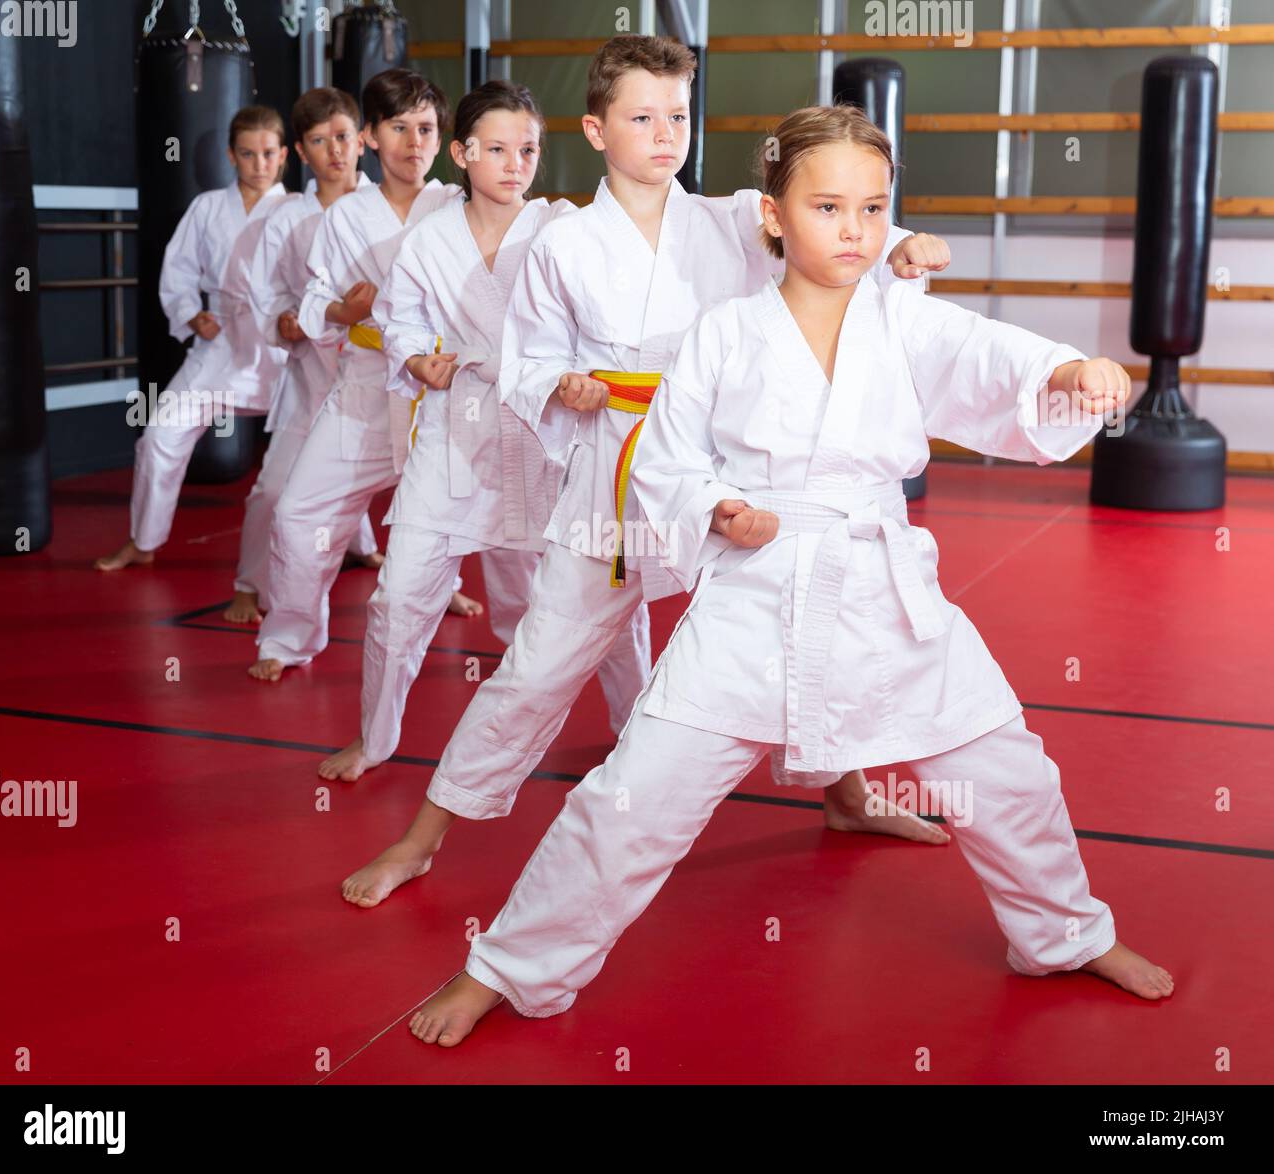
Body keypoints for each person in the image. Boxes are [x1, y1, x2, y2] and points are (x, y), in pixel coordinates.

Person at [408, 103, 1171, 1049]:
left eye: (872, 208)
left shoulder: (903, 321)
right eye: (827, 207)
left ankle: (1063, 936)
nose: (853, 230)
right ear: (774, 215)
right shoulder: (724, 334)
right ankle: (512, 967)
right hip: (753, 598)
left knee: (1009, 776)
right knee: (629, 800)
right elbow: (665, 462)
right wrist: (716, 510)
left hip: (886, 594)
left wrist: (1072, 371)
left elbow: (992, 359)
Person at [340, 35, 949, 913]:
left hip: (730, 469)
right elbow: (527, 362)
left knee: (800, 628)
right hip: (613, 484)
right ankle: (423, 835)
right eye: (641, 117)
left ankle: (846, 792)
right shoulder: (564, 240)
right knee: (538, 665)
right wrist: (562, 384)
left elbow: (833, 221)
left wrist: (899, 249)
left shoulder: (735, 217)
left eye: (677, 115)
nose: (666, 134)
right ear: (595, 129)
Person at [320, 80, 648, 785]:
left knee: (603, 596)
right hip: (456, 434)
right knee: (398, 597)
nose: (514, 163)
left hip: (548, 435)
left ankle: (637, 729)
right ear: (462, 154)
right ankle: (375, 739)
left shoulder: (563, 225)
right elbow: (401, 316)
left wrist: (585, 373)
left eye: (527, 149)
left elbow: (609, 315)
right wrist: (414, 356)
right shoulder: (429, 236)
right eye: (496, 149)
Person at [248, 70, 476, 683]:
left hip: (440, 396)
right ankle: (292, 633)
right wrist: (348, 310)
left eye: (425, 128)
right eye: (397, 127)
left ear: (442, 138)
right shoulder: (347, 215)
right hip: (363, 390)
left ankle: (512, 643)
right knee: (297, 515)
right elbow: (318, 302)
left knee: (469, 521)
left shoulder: (459, 207)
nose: (413, 141)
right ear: (371, 137)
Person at [95, 106, 288, 573]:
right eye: (247, 154)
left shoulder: (297, 210)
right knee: (159, 437)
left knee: (322, 444)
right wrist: (190, 313)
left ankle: (357, 543)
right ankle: (144, 540)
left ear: (283, 156)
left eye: (267, 153)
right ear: (231, 155)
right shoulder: (207, 208)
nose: (259, 164)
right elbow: (178, 269)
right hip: (219, 339)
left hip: (281, 346)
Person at [225, 86, 382, 625]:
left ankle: (439, 584)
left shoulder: (385, 209)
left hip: (379, 375)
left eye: (343, 137)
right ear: (301, 150)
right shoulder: (286, 218)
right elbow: (265, 293)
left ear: (362, 140)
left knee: (426, 491)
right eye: (320, 141)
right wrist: (285, 321)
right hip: (310, 375)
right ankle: (250, 584)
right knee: (273, 490)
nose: (335, 151)